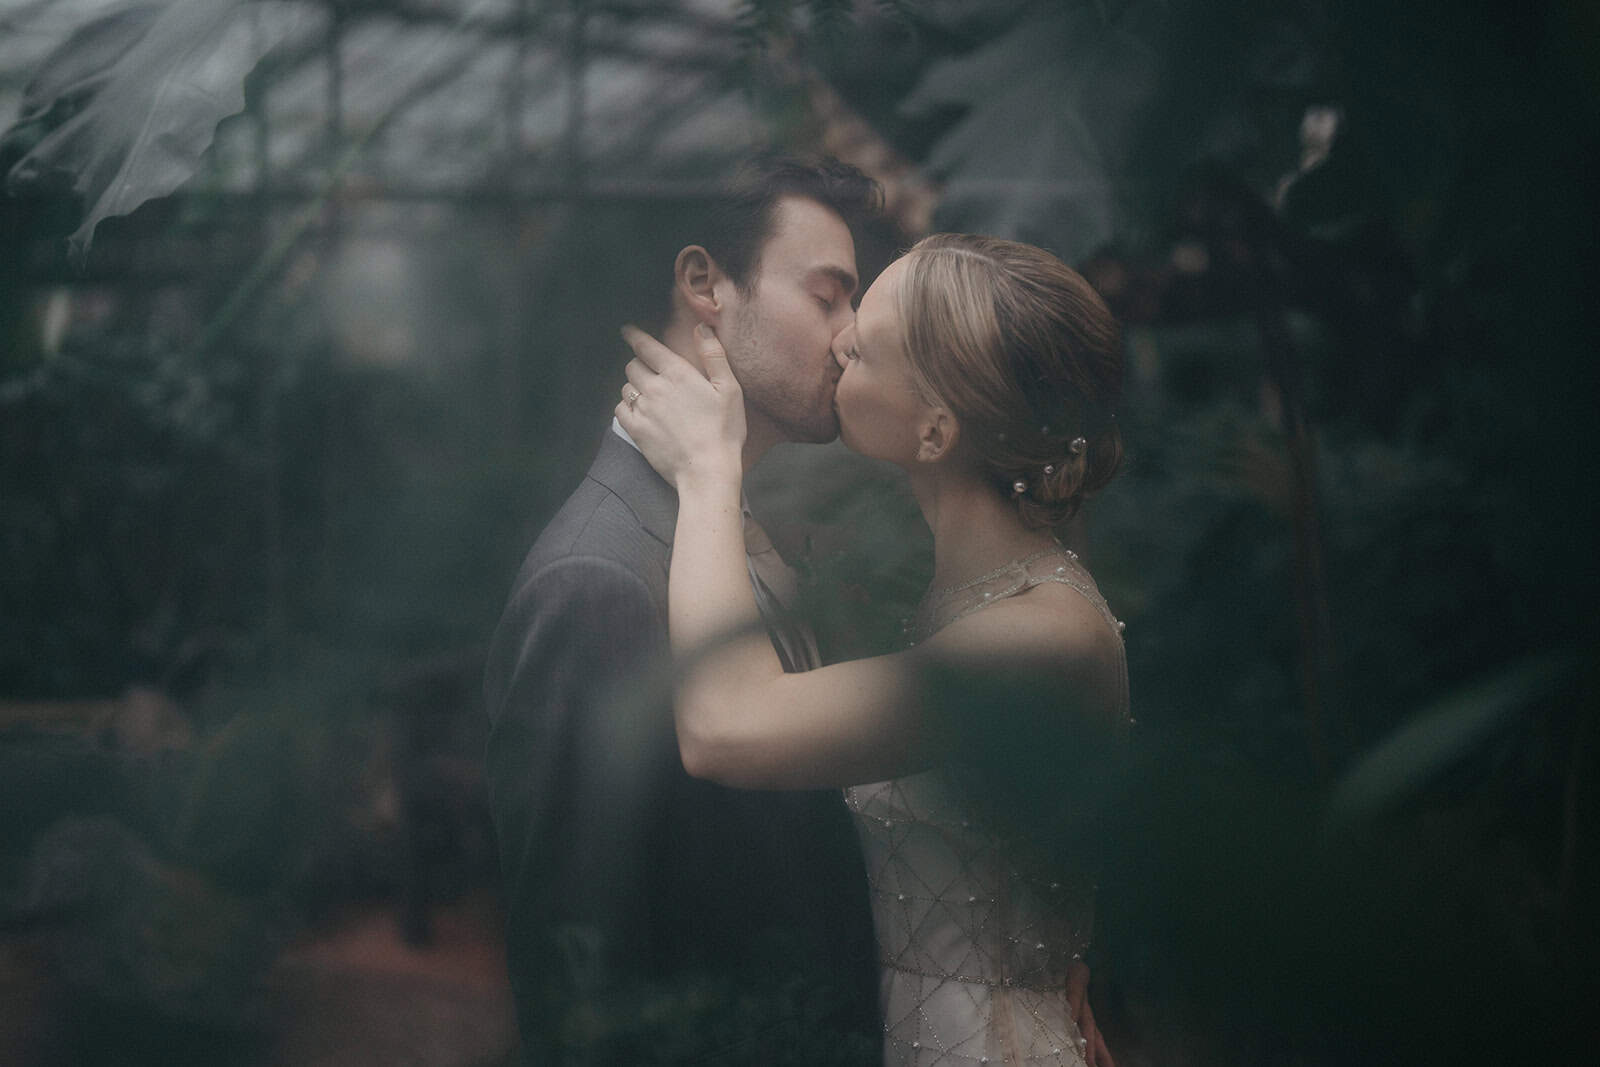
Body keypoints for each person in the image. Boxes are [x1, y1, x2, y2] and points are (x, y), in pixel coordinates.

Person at [616, 233, 1128, 1067]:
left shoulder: (1042, 637)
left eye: (866, 340)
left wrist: (710, 471)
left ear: (934, 431)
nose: (839, 337)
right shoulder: (954, 595)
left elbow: (724, 724)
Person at [482, 157, 886, 1064]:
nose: (851, 335)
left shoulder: (728, 522)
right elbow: (578, 966)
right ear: (705, 283)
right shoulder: (597, 581)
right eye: (828, 298)